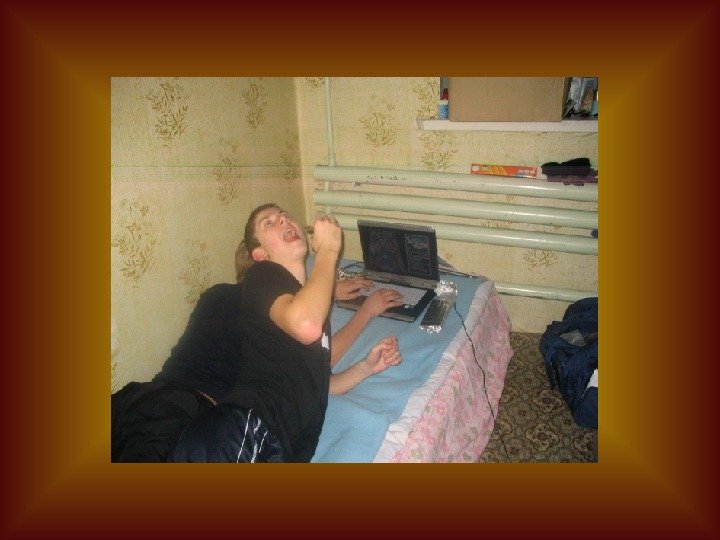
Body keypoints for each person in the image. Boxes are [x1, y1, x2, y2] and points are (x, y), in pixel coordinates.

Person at [170, 203, 405, 463]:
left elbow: (322, 385)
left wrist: (366, 367)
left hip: (278, 446)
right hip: (243, 430)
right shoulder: (261, 276)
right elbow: (306, 326)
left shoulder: (305, 308)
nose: (283, 219)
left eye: (284, 215)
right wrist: (328, 251)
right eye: (269, 222)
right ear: (260, 253)